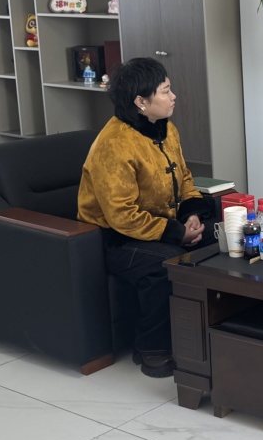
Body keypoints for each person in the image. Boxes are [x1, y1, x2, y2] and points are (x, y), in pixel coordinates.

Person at [78, 58, 213, 378]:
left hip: (162, 224)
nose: (173, 96)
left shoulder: (167, 129)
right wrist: (176, 233)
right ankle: (152, 349)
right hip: (113, 238)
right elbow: (122, 216)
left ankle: (209, 334)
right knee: (165, 263)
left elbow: (185, 178)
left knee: (219, 238)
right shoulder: (114, 145)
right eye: (165, 91)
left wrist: (192, 216)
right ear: (140, 102)